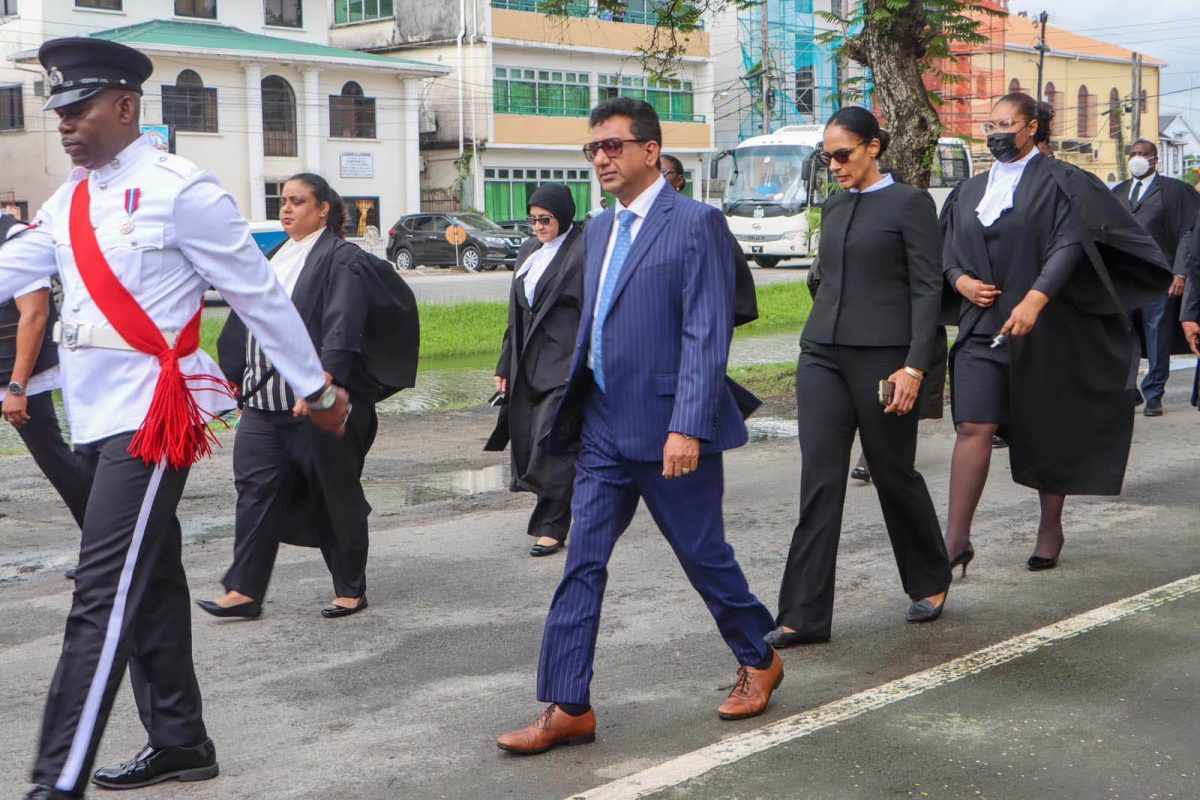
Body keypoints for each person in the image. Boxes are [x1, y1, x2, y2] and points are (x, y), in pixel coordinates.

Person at [3, 38, 350, 800]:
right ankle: (181, 742)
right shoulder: (69, 200)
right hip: (93, 415)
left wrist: (317, 390)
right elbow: (13, 271)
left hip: (152, 416)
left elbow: (257, 295)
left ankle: (51, 783)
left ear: (126, 107)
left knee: (101, 591)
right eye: (56, 107)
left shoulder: (180, 190)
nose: (63, 123)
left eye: (78, 107)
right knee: (149, 577)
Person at [496, 98, 781, 755]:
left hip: (667, 427)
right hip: (600, 426)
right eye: (593, 148)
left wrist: (687, 424)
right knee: (581, 564)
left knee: (703, 556)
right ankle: (568, 705)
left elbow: (707, 331)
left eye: (614, 146)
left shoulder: (696, 224)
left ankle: (759, 657)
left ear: (651, 151)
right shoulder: (596, 231)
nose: (602, 158)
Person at [941, 92, 1171, 576]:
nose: (997, 133)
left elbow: (1072, 242)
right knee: (973, 426)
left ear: (1031, 128)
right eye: (991, 124)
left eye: (1008, 123)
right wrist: (959, 279)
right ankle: (955, 541)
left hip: (1046, 328)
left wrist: (1037, 296)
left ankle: (1050, 526)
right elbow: (948, 248)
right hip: (983, 327)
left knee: (1046, 427)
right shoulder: (970, 188)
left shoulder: (1065, 181)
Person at [764, 107, 951, 649]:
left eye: (843, 154)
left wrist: (914, 365)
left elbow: (926, 291)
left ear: (874, 147)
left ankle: (930, 578)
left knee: (893, 474)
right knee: (819, 481)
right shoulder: (835, 205)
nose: (835, 165)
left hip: (885, 360)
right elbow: (825, 277)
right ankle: (803, 614)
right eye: (828, 157)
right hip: (821, 355)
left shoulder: (910, 203)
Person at [199, 174, 379, 620]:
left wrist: (321, 384)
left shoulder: (341, 258)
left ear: (323, 209)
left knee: (333, 493)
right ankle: (243, 591)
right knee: (254, 491)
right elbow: (244, 321)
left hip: (313, 406)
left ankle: (350, 589)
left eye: (298, 202)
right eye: (283, 202)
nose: (286, 209)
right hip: (263, 405)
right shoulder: (275, 257)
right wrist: (232, 376)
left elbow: (342, 322)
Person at [486, 183, 585, 557]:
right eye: (533, 220)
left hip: (565, 364)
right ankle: (588, 498)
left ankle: (551, 527)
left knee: (551, 444)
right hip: (526, 363)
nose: (538, 227)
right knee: (528, 441)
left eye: (545, 220)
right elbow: (516, 316)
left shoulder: (582, 251)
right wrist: (504, 364)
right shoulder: (529, 251)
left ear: (563, 216)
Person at [1, 213, 91, 553]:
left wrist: (17, 388)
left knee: (57, 463)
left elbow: (35, 315)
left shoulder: (16, 238)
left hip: (20, 374)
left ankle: (103, 548)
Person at [1113, 139, 1199, 417]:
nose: (1137, 158)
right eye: (1134, 154)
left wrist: (1180, 272)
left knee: (1157, 335)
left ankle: (1154, 392)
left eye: (1143, 154)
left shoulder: (1173, 192)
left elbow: (1188, 234)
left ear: (1155, 159)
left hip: (1160, 278)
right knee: (1122, 335)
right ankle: (1129, 389)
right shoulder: (1119, 193)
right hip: (1125, 278)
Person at [661, 152, 758, 326]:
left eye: (662, 173)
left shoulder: (700, 219)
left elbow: (732, 273)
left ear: (680, 181)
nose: (655, 180)